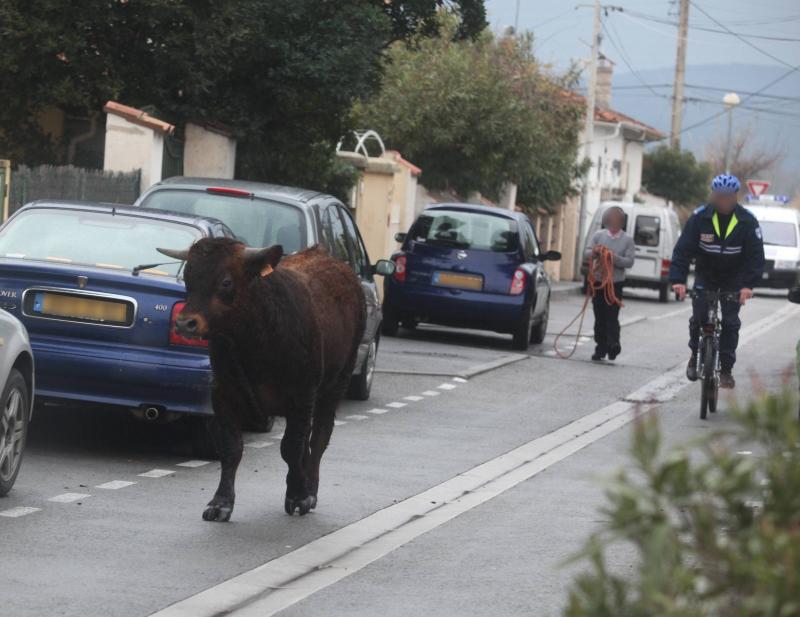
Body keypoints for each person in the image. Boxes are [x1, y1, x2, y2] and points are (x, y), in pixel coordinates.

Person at [669, 173, 765, 389]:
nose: (723, 201)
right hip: (706, 275)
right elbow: (682, 251)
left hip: (734, 278)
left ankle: (727, 371)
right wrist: (678, 280)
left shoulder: (747, 221)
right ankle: (694, 355)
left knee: (731, 323)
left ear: (735, 197)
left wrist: (748, 285)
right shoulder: (699, 218)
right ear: (714, 195)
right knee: (698, 318)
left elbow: (756, 257)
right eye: (719, 196)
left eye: (727, 197)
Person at [585, 206, 635, 361]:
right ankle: (600, 347)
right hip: (598, 282)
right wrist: (596, 252)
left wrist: (613, 257)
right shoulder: (599, 235)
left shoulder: (628, 240)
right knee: (599, 316)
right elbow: (586, 252)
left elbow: (629, 262)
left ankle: (613, 345)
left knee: (612, 316)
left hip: (615, 284)